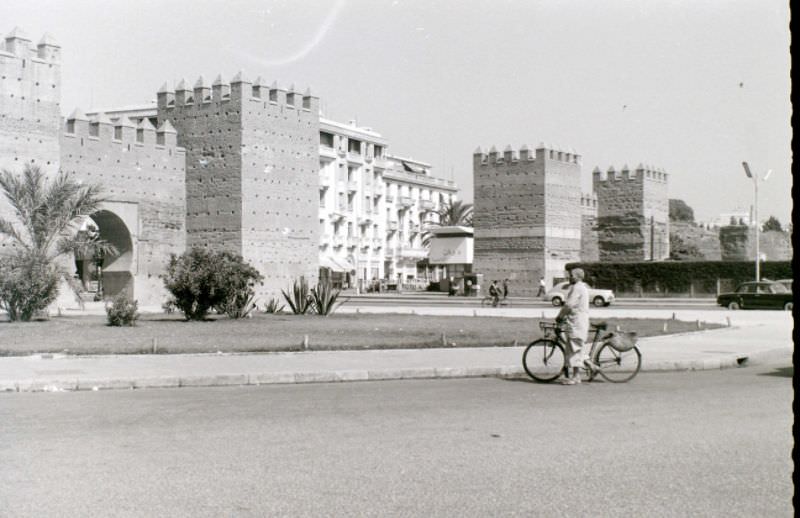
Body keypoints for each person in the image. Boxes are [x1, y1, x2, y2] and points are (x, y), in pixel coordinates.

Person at [555, 268, 590, 385]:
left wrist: (559, 316)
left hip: (577, 322)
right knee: (575, 348)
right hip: (578, 321)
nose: (569, 277)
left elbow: (569, 305)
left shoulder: (577, 288)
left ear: (578, 277)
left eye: (571, 275)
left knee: (574, 348)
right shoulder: (582, 287)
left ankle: (576, 377)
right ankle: (584, 369)